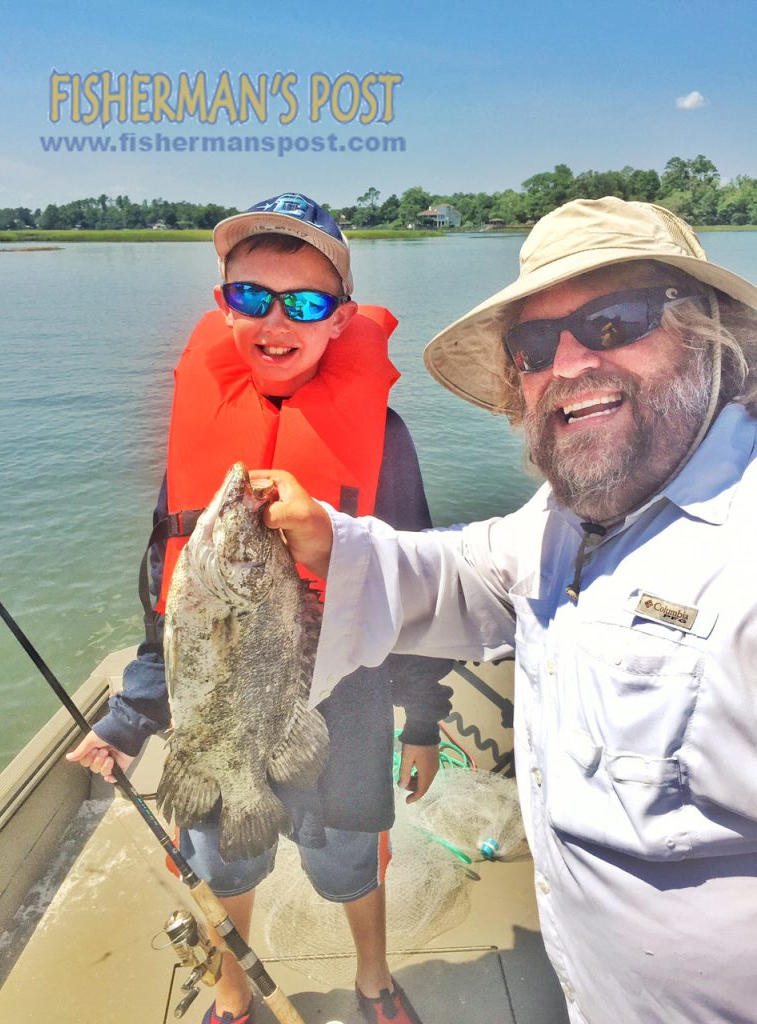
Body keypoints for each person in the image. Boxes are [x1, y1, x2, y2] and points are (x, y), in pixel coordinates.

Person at [259, 197, 757, 1024]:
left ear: (713, 333)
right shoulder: (573, 512)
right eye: (531, 344)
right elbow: (475, 571)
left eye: (611, 322)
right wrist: (334, 543)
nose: (564, 365)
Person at [68, 193, 453, 1024]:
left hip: (343, 713)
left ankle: (374, 979)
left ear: (341, 319)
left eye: (306, 303)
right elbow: (167, 614)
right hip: (214, 714)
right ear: (222, 302)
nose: (276, 321)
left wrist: (421, 721)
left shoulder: (383, 437)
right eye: (251, 297)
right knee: (223, 866)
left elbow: (416, 588)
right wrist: (130, 718)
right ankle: (234, 995)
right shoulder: (194, 438)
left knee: (352, 862)